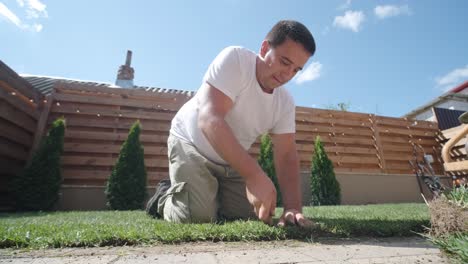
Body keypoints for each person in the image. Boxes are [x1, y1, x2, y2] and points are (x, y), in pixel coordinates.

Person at [146, 20, 316, 227]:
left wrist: (293, 208)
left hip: (229, 161)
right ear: (264, 48)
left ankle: (205, 194)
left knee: (250, 217)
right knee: (198, 218)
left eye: (296, 70)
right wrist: (254, 175)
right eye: (284, 62)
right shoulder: (235, 59)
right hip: (190, 143)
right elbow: (209, 119)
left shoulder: (285, 102)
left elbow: (287, 154)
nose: (287, 75)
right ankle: (164, 196)